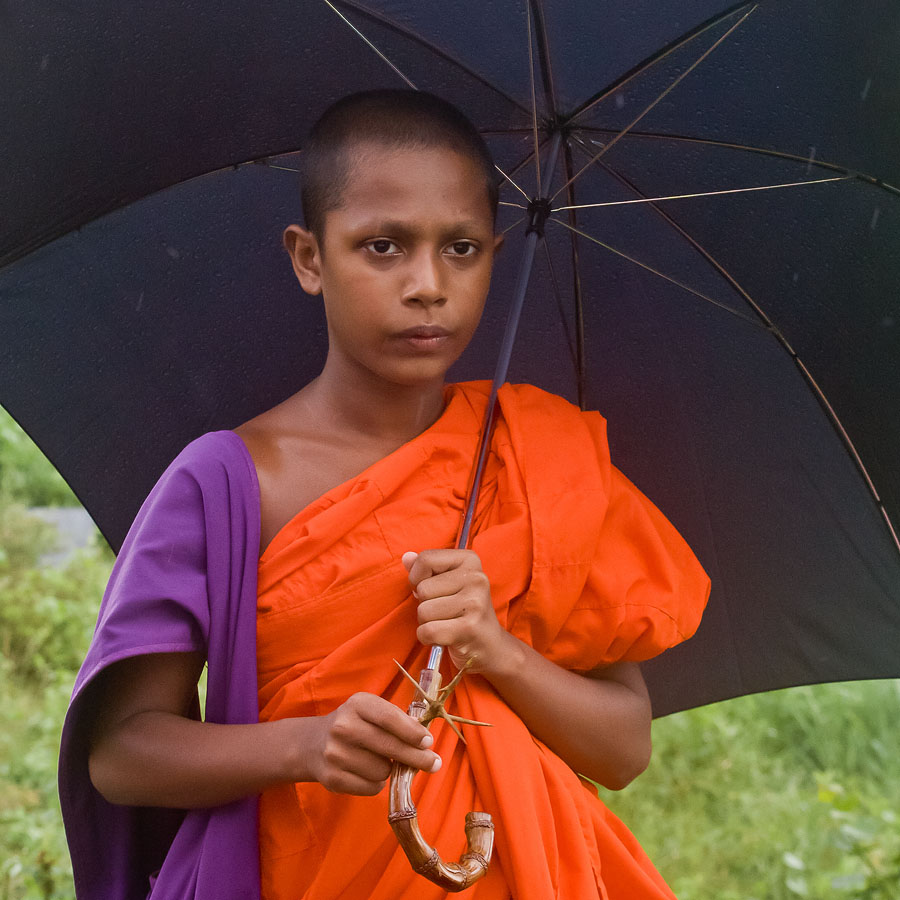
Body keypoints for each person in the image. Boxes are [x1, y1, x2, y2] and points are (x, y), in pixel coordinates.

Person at [59, 90, 710, 900]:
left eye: (461, 248)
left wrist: (496, 649)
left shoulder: (541, 462)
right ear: (309, 257)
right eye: (383, 246)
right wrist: (304, 745)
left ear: (494, 256)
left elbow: (623, 748)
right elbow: (121, 754)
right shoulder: (233, 483)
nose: (427, 284)